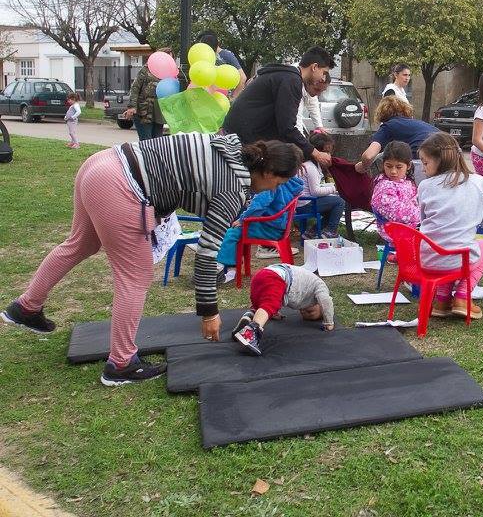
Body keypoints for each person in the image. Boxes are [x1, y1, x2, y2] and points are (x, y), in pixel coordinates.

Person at [2, 135, 302, 385]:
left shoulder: (229, 145)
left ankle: (26, 307)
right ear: (269, 173)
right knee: (135, 276)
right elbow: (208, 252)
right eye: (278, 184)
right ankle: (121, 365)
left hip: (103, 162)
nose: (274, 190)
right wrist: (209, 312)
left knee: (80, 243)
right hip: (121, 185)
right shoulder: (232, 189)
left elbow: (181, 175)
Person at [416, 132, 483, 320]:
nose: (423, 169)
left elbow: (424, 221)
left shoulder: (425, 186)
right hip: (457, 260)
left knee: (447, 243)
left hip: (427, 259)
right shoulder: (479, 183)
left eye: (425, 163)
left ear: (441, 160)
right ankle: (463, 297)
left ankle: (442, 300)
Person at [222, 46, 335, 170]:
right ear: (314, 67)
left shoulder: (285, 77)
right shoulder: (291, 80)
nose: (323, 78)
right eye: (324, 73)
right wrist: (316, 153)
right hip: (240, 141)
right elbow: (287, 128)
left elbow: (281, 123)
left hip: (239, 136)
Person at [231, 263, 335, 356]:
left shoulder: (304, 289)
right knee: (269, 305)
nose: (304, 312)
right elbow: (326, 301)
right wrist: (329, 322)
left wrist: (274, 313)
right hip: (275, 276)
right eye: (310, 311)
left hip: (261, 276)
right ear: (319, 305)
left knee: (264, 305)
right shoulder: (320, 286)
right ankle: (249, 333)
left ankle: (248, 317)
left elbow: (279, 296)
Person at [217, 167, 304, 267]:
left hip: (268, 228)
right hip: (280, 227)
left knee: (232, 231)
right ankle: (231, 256)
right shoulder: (291, 183)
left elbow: (258, 206)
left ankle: (225, 264)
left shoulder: (269, 183)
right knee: (238, 226)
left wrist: (242, 220)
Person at [355, 96, 438, 183]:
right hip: (445, 157)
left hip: (421, 159)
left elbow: (368, 156)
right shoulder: (417, 124)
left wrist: (363, 166)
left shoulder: (388, 126)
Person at [296, 132, 345, 239]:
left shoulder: (311, 165)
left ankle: (311, 232)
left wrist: (330, 187)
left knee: (332, 209)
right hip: (306, 204)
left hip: (303, 202)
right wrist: (334, 188)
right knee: (340, 202)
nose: (329, 155)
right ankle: (331, 231)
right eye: (326, 152)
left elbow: (315, 187)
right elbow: (315, 191)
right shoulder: (310, 167)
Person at [123, 47, 178, 141]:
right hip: (144, 113)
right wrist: (131, 107)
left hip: (159, 114)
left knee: (158, 142)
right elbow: (135, 88)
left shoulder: (171, 74)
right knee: (147, 141)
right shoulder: (146, 69)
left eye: (171, 59)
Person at [370, 140, 420, 242]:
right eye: (389, 166)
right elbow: (397, 213)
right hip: (395, 230)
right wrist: (423, 215)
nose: (393, 171)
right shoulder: (383, 186)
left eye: (398, 167)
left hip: (411, 225)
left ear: (408, 166)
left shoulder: (408, 182)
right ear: (383, 164)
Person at [198, 31, 247, 97]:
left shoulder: (226, 55)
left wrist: (233, 97)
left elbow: (243, 77)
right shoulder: (206, 56)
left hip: (223, 99)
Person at [297, 70, 327, 136]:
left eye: (322, 91)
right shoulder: (296, 91)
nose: (318, 94)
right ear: (308, 82)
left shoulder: (309, 90)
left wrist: (319, 126)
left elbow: (313, 106)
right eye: (317, 89)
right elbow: (296, 121)